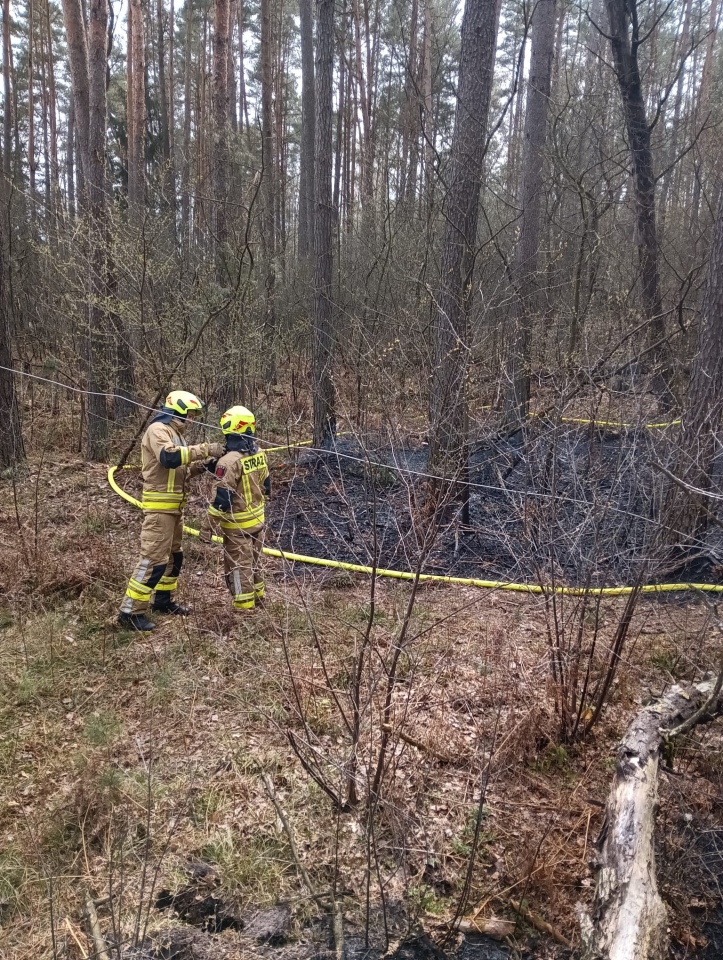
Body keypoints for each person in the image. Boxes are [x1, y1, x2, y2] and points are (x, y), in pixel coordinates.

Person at [118, 390, 224, 631]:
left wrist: (203, 466)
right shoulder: (158, 430)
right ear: (179, 411)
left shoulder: (176, 435)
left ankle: (163, 601)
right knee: (153, 561)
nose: (192, 418)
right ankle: (130, 612)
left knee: (175, 558)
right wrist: (206, 449)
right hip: (159, 510)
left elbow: (180, 471)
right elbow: (169, 458)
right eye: (191, 413)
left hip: (175, 509)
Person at [203, 405, 270, 612]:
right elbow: (267, 486)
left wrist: (207, 528)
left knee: (239, 568)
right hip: (258, 522)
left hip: (237, 526)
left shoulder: (228, 462)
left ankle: (244, 609)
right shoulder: (260, 453)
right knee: (255, 563)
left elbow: (221, 500)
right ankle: (259, 599)